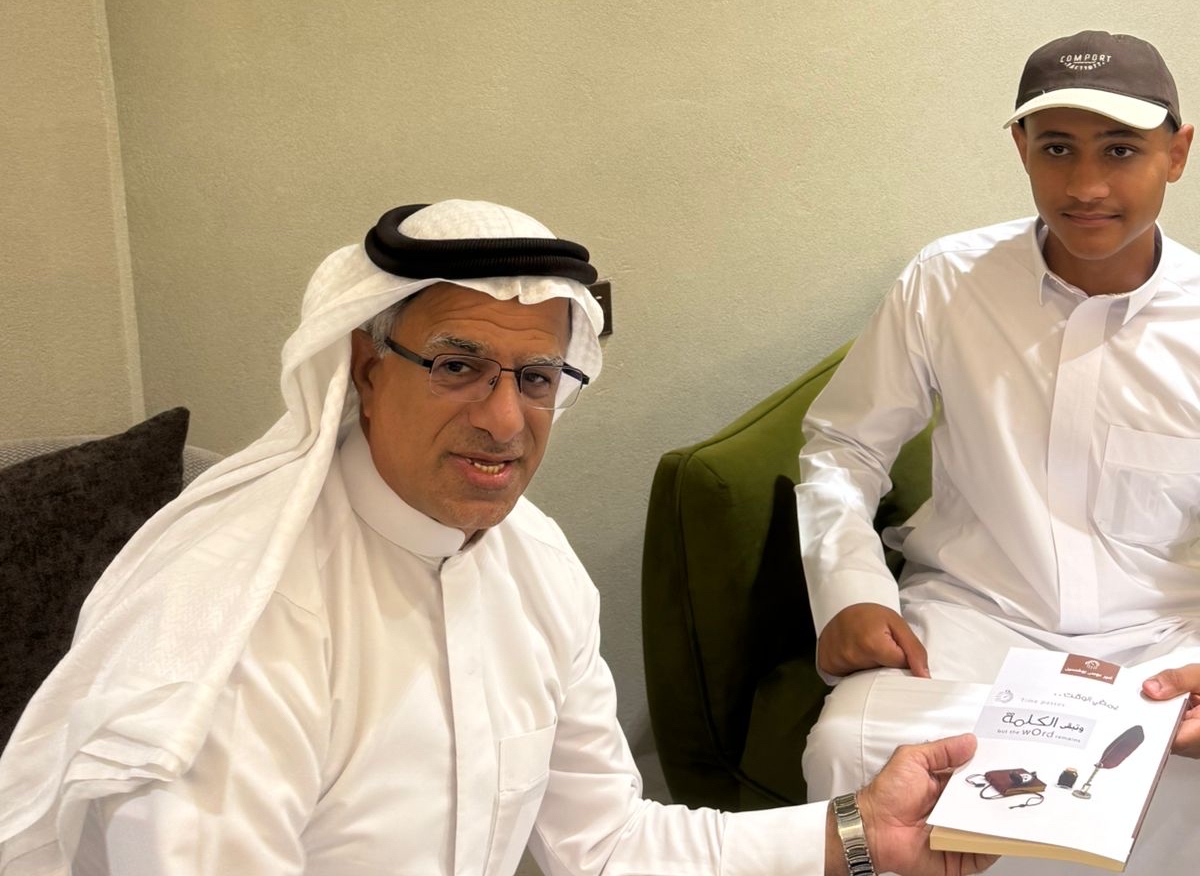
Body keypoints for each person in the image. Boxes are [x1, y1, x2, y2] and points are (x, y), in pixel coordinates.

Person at [0, 199, 991, 876]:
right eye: (458, 365)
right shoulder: (240, 619)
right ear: (365, 368)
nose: (505, 420)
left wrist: (862, 834)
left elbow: (603, 846)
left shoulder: (535, 564)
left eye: (535, 378)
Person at [795, 31, 1200, 872]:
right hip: (975, 623)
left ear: (1176, 153)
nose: (1085, 186)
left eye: (1120, 149)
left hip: (1163, 640)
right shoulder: (946, 281)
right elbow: (844, 445)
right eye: (1057, 148)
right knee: (847, 748)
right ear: (1020, 147)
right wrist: (848, 591)